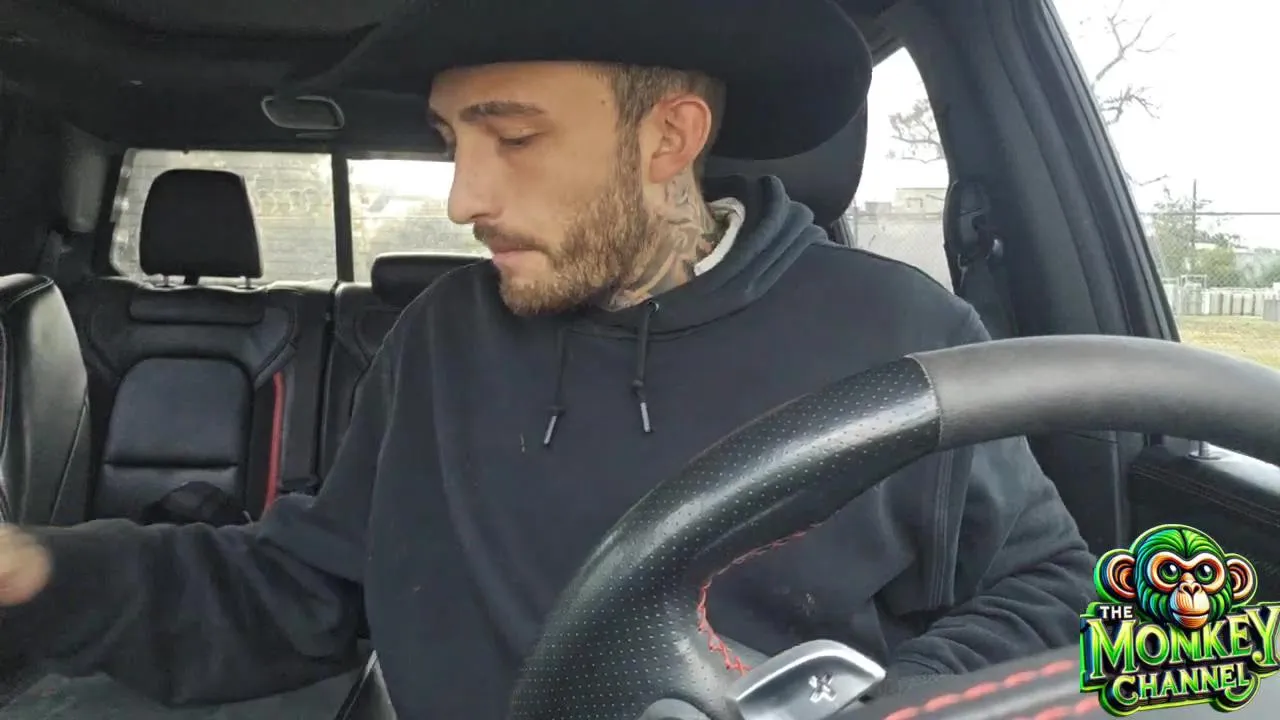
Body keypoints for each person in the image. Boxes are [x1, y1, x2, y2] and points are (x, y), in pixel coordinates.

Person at [0, 0, 1095, 717]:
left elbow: (1053, 593)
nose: (462, 197)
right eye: (451, 142)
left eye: (513, 137)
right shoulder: (441, 340)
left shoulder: (897, 335)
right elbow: (305, 593)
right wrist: (44, 572)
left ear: (667, 139)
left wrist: (893, 703)